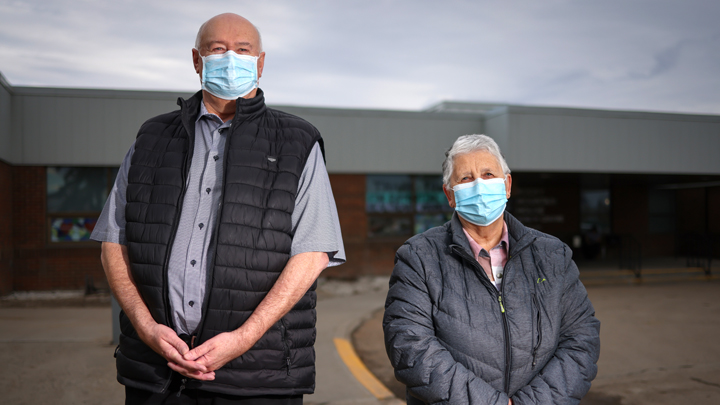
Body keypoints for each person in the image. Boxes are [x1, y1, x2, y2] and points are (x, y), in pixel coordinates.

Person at [91, 13, 345, 404]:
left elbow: (312, 253)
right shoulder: (152, 138)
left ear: (260, 63)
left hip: (259, 377)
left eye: (243, 50)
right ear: (197, 61)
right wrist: (145, 327)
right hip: (155, 373)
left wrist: (242, 339)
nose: (230, 59)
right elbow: (114, 241)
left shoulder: (298, 142)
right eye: (217, 49)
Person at [383, 134, 600, 404]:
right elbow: (410, 349)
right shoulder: (418, 257)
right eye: (465, 178)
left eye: (488, 174)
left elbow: (581, 340)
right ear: (449, 195)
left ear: (507, 185)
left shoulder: (553, 254)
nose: (479, 185)